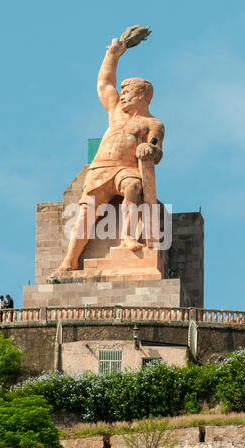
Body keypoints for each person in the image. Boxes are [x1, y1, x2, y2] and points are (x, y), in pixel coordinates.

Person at [51, 37, 165, 279]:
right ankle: (69, 261)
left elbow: (156, 147)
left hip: (127, 169)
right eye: (122, 92)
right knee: (85, 214)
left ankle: (128, 238)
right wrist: (113, 54)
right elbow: (104, 83)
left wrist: (150, 150)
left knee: (134, 186)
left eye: (128, 92)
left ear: (143, 95)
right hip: (101, 168)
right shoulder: (115, 112)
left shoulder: (152, 123)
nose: (122, 96)